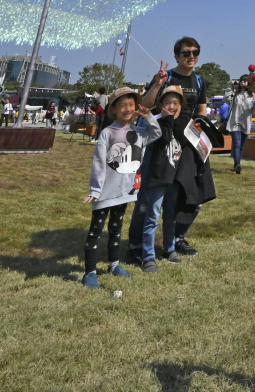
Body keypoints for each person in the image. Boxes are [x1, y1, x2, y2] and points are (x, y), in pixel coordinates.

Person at [132, 37, 214, 257]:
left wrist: (202, 133)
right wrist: (158, 84)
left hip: (188, 144)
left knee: (191, 194)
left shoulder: (198, 80)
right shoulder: (166, 78)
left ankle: (178, 238)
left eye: (195, 52)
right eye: (186, 53)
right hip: (162, 141)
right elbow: (145, 105)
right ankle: (135, 244)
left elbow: (201, 112)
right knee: (148, 197)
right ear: (176, 55)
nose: (191, 57)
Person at [82, 87, 160, 289]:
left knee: (116, 231)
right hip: (105, 193)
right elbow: (99, 163)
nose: (127, 109)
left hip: (125, 193)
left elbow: (157, 132)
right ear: (114, 109)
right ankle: (89, 271)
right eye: (122, 105)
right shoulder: (107, 133)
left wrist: (148, 115)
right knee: (96, 232)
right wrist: (95, 190)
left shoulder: (139, 133)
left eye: (131, 105)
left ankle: (114, 265)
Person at [141, 85, 186, 273]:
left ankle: (169, 249)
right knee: (152, 217)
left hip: (174, 180)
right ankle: (148, 256)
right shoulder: (157, 123)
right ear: (160, 105)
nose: (171, 106)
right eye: (167, 102)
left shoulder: (180, 124)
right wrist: (167, 118)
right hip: (157, 179)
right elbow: (165, 138)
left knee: (170, 217)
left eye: (176, 103)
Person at [226, 75, 255, 174]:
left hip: (246, 122)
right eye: (241, 80)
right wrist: (230, 86)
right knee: (237, 144)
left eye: (245, 81)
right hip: (235, 122)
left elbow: (254, 107)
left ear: (248, 83)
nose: (242, 82)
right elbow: (226, 98)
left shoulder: (252, 95)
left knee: (241, 146)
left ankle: (236, 165)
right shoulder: (235, 94)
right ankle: (238, 164)